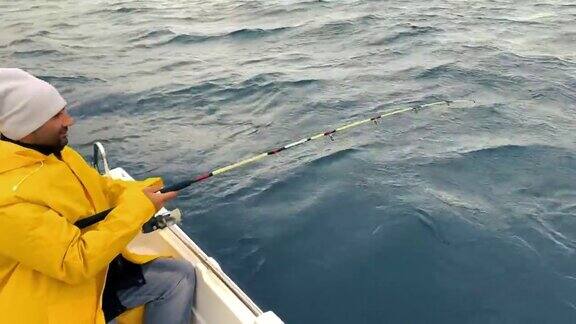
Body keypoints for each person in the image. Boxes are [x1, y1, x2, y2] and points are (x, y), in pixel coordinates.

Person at [0, 68, 195, 324]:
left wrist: (138, 192)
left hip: (97, 276)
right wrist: (136, 209)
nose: (68, 120)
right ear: (25, 128)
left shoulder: (57, 154)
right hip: (51, 304)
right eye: (56, 115)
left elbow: (100, 189)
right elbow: (74, 262)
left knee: (178, 276)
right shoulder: (8, 200)